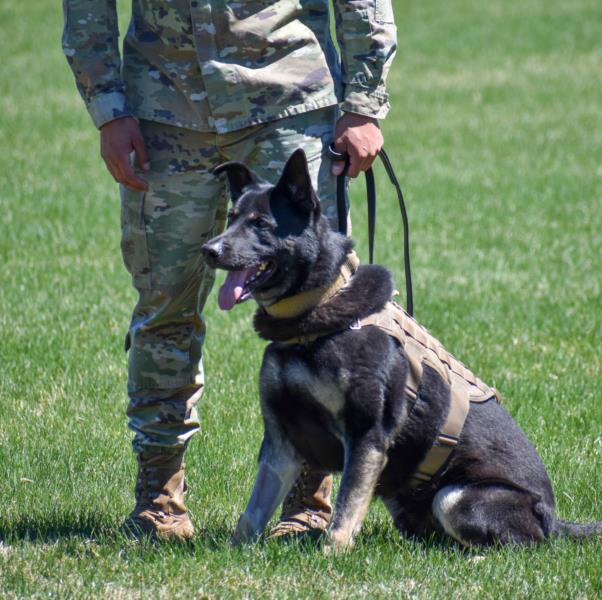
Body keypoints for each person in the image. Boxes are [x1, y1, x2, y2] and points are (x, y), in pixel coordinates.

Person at [62, 0, 397, 541]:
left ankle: (309, 502)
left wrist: (363, 99)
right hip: (163, 111)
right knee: (164, 306)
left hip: (288, 98)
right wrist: (109, 106)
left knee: (326, 309)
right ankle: (159, 500)